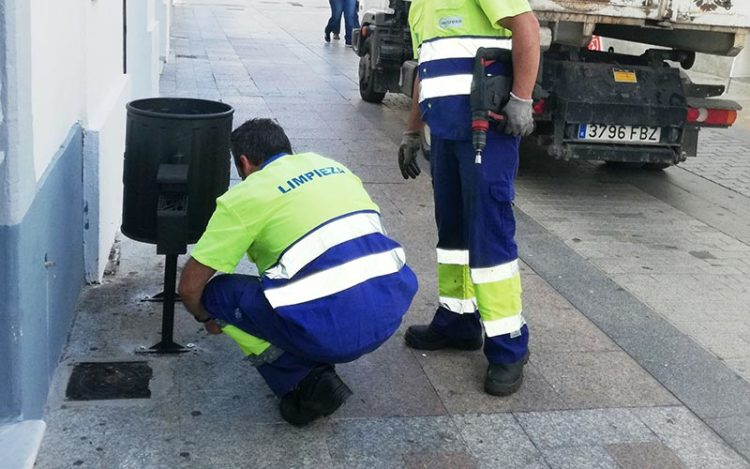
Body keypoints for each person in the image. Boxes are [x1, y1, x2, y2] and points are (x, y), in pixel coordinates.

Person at [179, 118, 418, 426]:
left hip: (334, 334)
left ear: (244, 163)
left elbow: (189, 287)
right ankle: (312, 348)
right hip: (389, 312)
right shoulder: (333, 168)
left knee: (217, 293)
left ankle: (303, 380)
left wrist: (207, 317)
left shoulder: (247, 195)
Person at [398, 0, 540, 396]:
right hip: (446, 133)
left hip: (487, 130)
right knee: (454, 234)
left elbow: (527, 28)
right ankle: (458, 320)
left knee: (489, 234)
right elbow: (424, 72)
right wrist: (412, 130)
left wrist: (522, 99)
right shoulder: (418, 7)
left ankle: (509, 345)